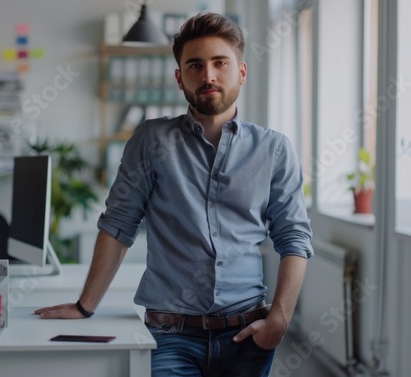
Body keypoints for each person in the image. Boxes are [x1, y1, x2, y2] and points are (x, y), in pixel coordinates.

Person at [35, 11, 313, 377]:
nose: (208, 75)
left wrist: (279, 318)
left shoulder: (274, 149)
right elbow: (119, 224)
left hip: (247, 335)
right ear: (180, 79)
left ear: (241, 73)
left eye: (220, 63)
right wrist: (85, 306)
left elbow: (293, 236)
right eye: (195, 65)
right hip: (169, 336)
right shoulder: (151, 141)